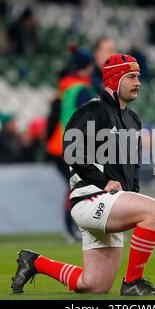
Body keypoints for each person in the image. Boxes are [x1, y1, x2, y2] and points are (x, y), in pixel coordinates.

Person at [11, 54, 155, 296]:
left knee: (95, 285)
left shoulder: (132, 119)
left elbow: (132, 167)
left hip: (110, 203)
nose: (138, 82)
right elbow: (71, 153)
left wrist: (131, 194)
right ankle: (133, 283)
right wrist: (104, 181)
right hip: (90, 197)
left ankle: (34, 262)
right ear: (115, 80)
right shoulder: (92, 110)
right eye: (131, 76)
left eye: (138, 76)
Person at [46, 46, 96, 242]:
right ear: (90, 66)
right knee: (77, 187)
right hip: (72, 146)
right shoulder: (82, 90)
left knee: (75, 186)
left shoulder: (66, 87)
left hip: (59, 145)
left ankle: (72, 228)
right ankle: (72, 228)